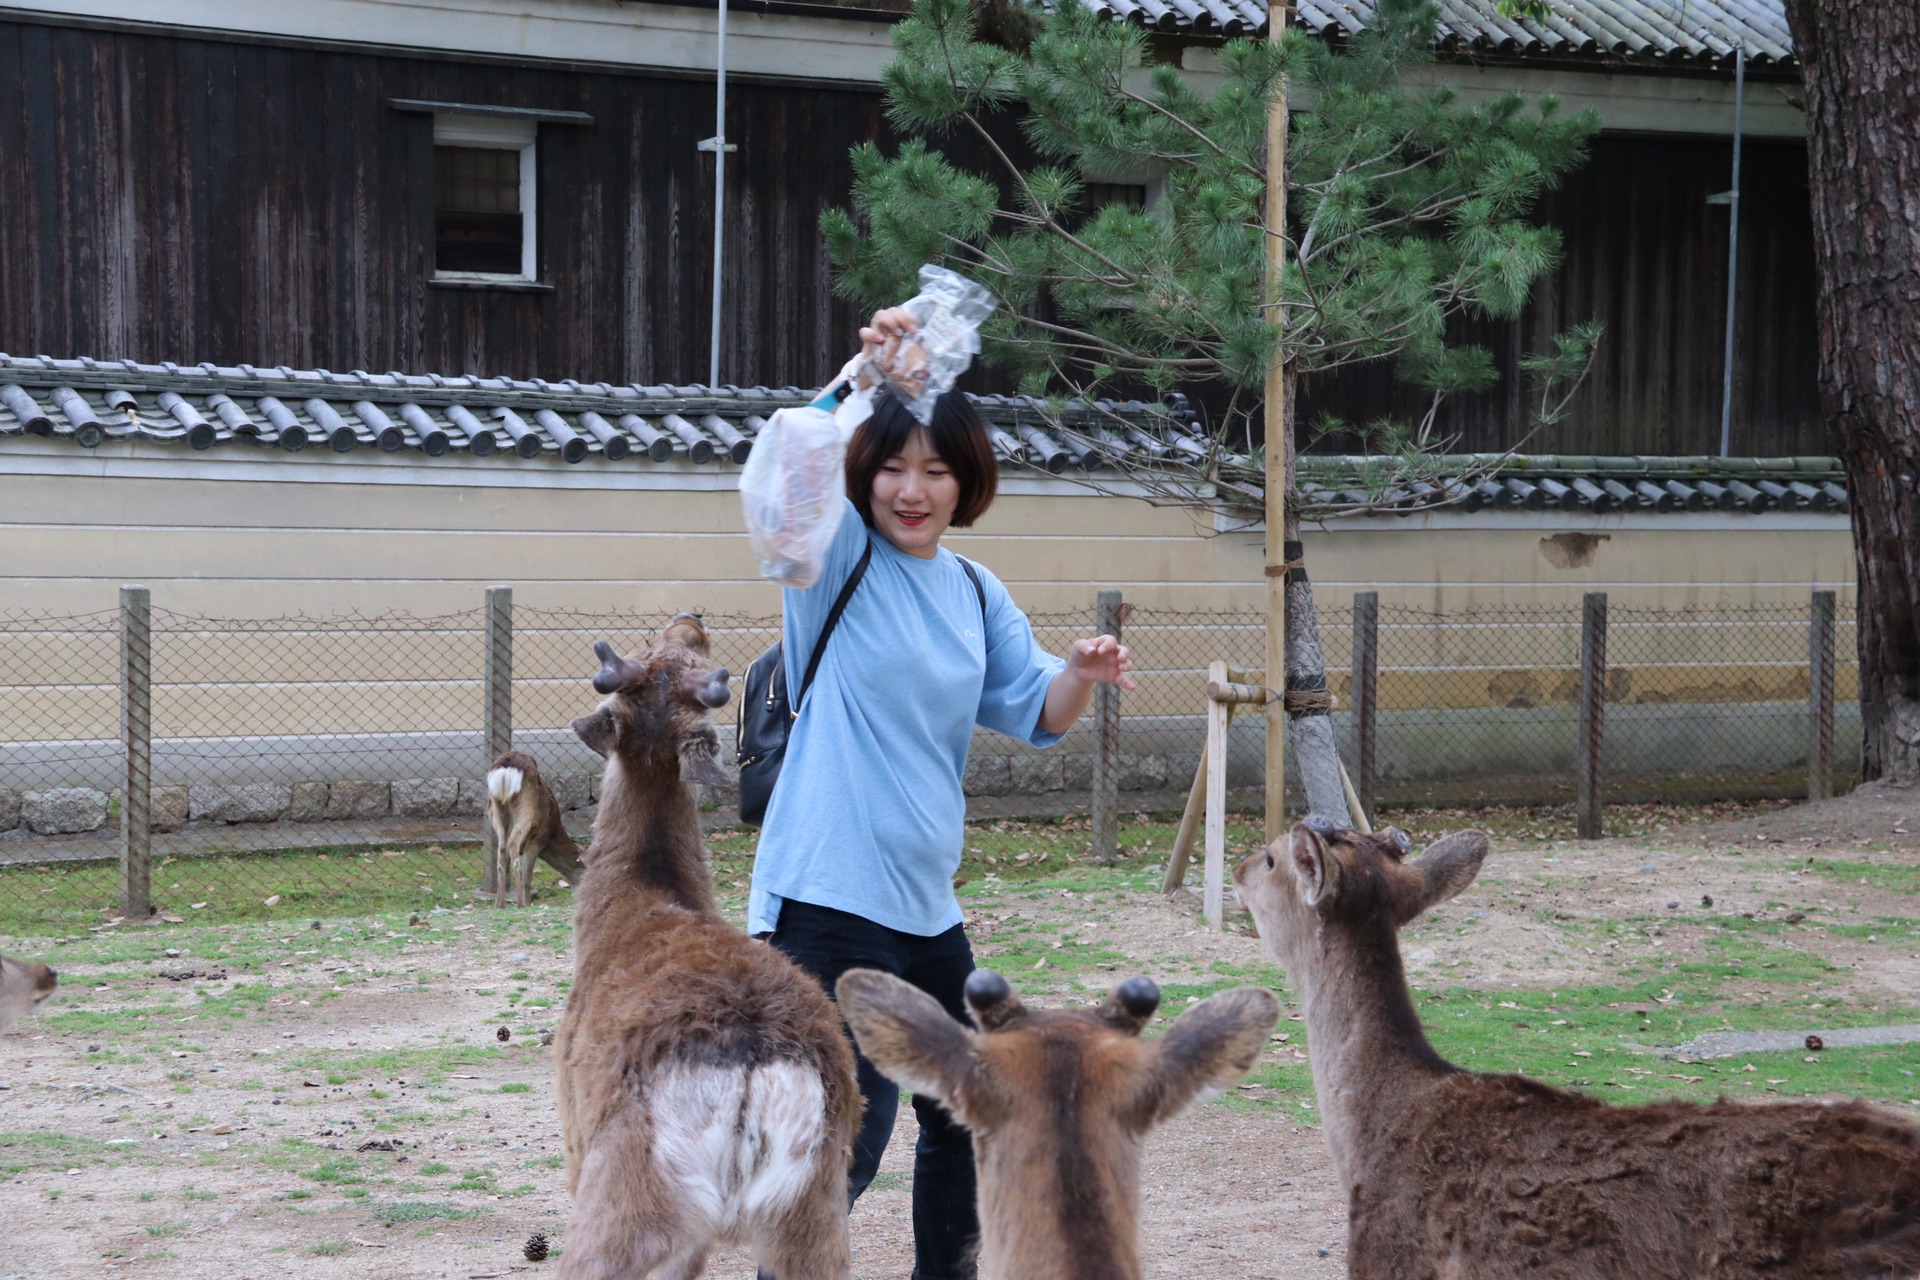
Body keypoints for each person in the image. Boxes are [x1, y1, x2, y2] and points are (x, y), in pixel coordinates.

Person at [750, 307, 1134, 1279]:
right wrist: (863, 376)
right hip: (825, 900)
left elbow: (1039, 708)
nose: (911, 489)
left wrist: (1084, 670)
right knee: (848, 1133)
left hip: (925, 908)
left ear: (966, 479)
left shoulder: (971, 590)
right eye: (891, 465)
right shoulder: (831, 556)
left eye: (935, 469)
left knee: (970, 1107)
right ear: (864, 470)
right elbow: (784, 480)